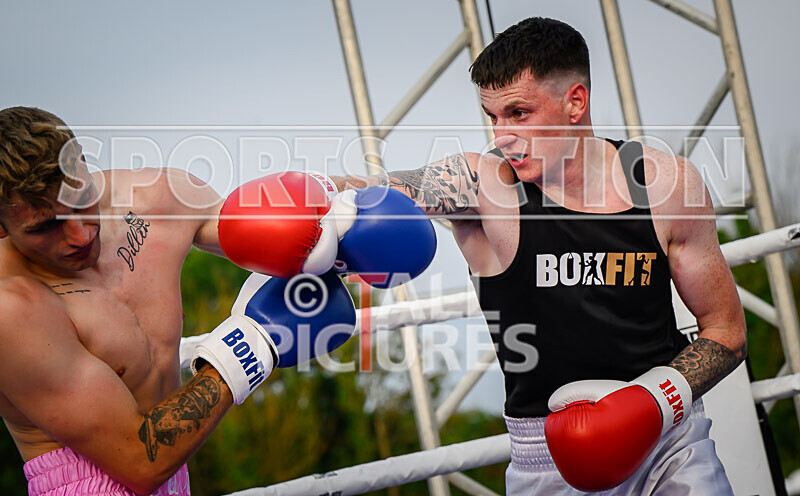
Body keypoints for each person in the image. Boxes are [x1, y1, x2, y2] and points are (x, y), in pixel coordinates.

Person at [332, 17, 746, 495]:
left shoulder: (664, 185)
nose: (502, 136)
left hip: (670, 443)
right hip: (547, 460)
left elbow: (727, 333)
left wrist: (655, 398)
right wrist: (318, 194)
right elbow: (377, 192)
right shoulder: (485, 186)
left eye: (519, 113)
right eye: (493, 117)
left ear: (575, 102)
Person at [0, 106, 435, 495]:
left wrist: (342, 217)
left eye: (80, 202)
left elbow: (261, 228)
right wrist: (248, 349)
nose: (80, 234)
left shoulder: (157, 199)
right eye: (44, 227)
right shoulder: (14, 309)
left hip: (180, 478)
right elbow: (140, 460)